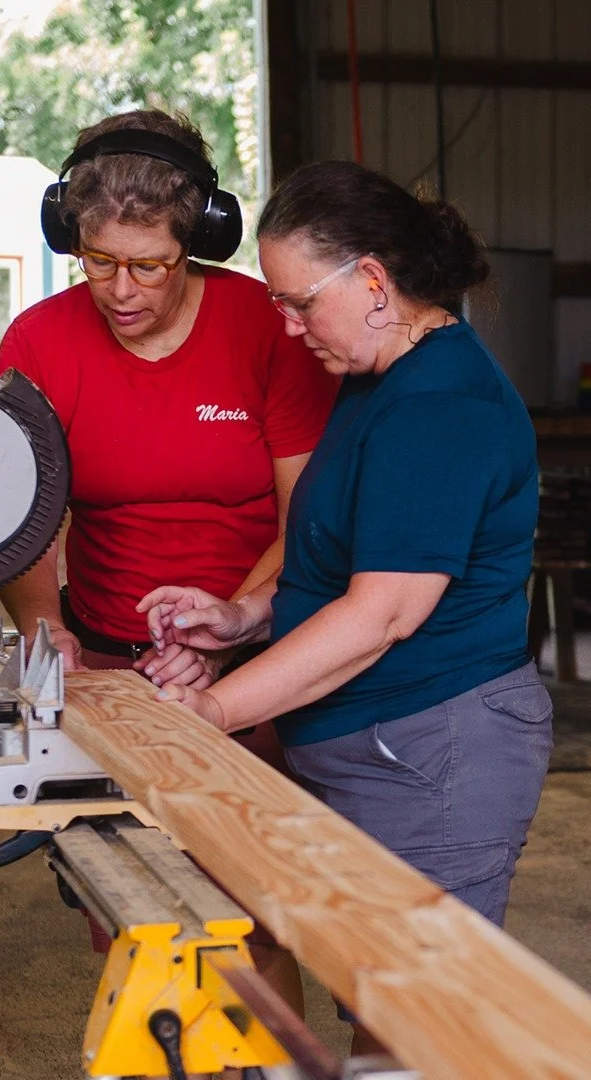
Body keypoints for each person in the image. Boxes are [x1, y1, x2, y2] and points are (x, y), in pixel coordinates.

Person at [139, 159, 553, 1055]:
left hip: (434, 753)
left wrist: (214, 708)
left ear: (372, 282)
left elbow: (383, 615)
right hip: (374, 747)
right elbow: (339, 551)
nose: (286, 329)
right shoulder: (379, 379)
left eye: (297, 303)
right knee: (374, 1005)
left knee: (418, 1028)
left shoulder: (441, 404)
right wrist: (243, 618)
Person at [0, 110, 338, 1005]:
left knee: (246, 917)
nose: (121, 288)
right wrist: (46, 629)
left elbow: (311, 518)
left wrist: (229, 635)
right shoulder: (39, 341)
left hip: (258, 656)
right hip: (108, 666)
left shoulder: (265, 328)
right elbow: (17, 515)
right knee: (135, 913)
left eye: (150, 264)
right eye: (99, 260)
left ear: (199, 240)